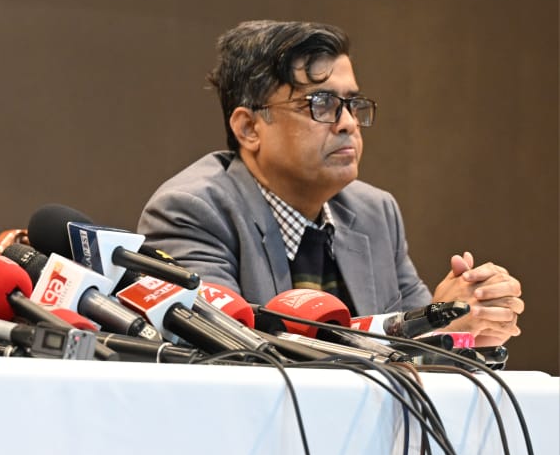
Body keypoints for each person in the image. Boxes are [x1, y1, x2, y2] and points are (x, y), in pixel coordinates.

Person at [137, 20, 522, 347]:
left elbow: (418, 339)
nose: (348, 123)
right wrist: (430, 326)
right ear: (249, 127)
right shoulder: (193, 210)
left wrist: (464, 320)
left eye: (352, 104)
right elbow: (232, 352)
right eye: (320, 104)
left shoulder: (375, 213)